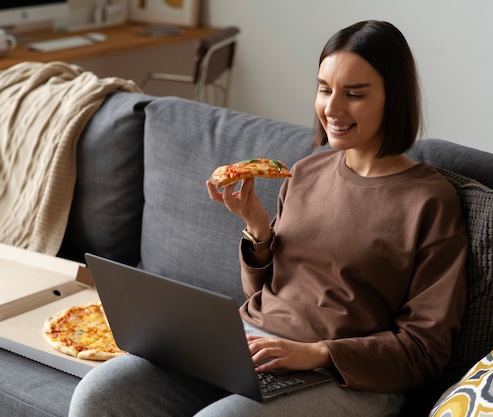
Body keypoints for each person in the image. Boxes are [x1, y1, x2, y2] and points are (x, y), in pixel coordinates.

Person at [68, 20, 468, 417]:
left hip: (346, 375)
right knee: (100, 394)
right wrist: (259, 230)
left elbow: (425, 349)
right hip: (253, 343)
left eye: (355, 94)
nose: (332, 108)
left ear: (392, 99)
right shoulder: (306, 172)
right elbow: (262, 295)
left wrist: (315, 352)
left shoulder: (429, 201)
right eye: (324, 89)